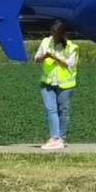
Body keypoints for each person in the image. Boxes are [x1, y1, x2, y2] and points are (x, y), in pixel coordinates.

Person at [35, 20, 79, 150]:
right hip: (47, 82)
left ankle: (61, 137)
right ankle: (55, 137)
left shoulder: (72, 47)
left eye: (57, 34)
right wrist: (45, 55)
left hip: (65, 84)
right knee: (51, 109)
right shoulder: (45, 42)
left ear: (62, 34)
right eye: (53, 33)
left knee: (63, 111)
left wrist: (57, 57)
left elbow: (70, 64)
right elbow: (36, 59)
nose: (54, 36)